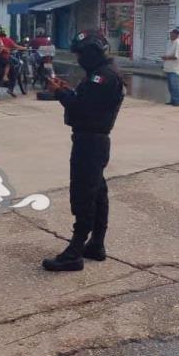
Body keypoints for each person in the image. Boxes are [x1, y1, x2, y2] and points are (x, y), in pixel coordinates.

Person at [42, 30, 124, 272]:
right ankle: (96, 244)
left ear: (91, 54)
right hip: (92, 140)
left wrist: (60, 93)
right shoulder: (102, 74)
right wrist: (68, 90)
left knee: (84, 195)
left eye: (81, 55)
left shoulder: (103, 77)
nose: (78, 60)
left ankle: (75, 252)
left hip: (91, 142)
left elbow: (82, 107)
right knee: (97, 192)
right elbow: (87, 101)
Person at [0, 28, 27, 95]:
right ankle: (10, 89)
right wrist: (24, 48)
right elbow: (15, 46)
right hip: (5, 58)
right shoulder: (7, 40)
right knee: (14, 72)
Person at [161, 29, 179, 106]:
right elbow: (169, 53)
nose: (170, 35)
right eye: (170, 34)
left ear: (176, 35)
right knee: (170, 86)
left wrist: (166, 57)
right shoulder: (170, 43)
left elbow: (176, 56)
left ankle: (178, 102)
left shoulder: (178, 43)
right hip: (169, 68)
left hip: (175, 69)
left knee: (174, 86)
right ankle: (173, 100)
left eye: (171, 34)